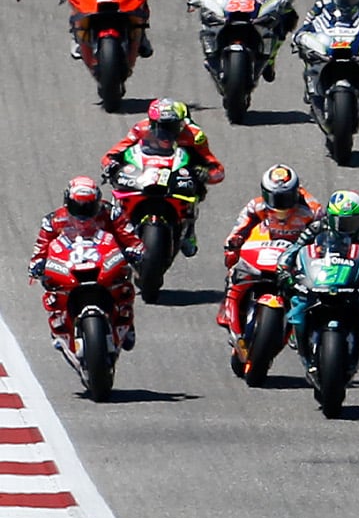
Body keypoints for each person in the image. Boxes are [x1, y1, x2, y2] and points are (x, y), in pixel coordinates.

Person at [278, 191, 359, 358]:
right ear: (331, 218)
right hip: (324, 275)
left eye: (354, 221)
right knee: (289, 288)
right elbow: (294, 250)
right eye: (342, 222)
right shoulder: (319, 226)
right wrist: (284, 269)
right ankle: (297, 325)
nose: (348, 227)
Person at [28, 177, 143, 352]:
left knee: (123, 281)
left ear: (97, 203)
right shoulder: (53, 221)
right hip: (71, 262)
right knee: (52, 287)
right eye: (78, 207)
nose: (83, 213)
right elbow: (41, 247)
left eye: (89, 207)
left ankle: (126, 319)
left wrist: (134, 250)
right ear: (68, 202)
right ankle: (60, 323)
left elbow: (129, 235)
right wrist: (37, 263)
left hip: (104, 257)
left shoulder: (110, 213)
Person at [99, 99, 226, 258]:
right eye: (161, 126)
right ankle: (117, 220)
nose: (167, 131)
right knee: (118, 181)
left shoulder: (195, 135)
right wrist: (111, 165)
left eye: (172, 126)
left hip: (180, 171)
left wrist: (205, 173)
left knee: (198, 188)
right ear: (152, 123)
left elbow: (217, 169)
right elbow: (112, 154)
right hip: (147, 169)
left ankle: (189, 230)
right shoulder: (140, 128)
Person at [216, 165, 323, 331]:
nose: (280, 204)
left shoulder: (312, 209)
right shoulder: (256, 206)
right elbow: (240, 227)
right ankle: (230, 301)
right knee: (233, 259)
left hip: (296, 251)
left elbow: (322, 238)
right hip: (266, 245)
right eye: (274, 198)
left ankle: (307, 319)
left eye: (285, 197)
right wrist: (233, 243)